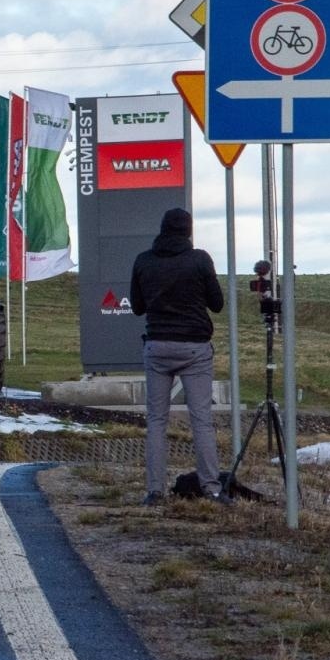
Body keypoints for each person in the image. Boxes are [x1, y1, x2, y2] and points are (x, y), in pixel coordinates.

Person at [130, 207, 227, 506]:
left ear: (162, 228)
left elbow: (137, 307)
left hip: (157, 346)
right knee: (201, 420)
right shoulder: (200, 260)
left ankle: (155, 491)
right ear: (188, 230)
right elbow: (217, 304)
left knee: (157, 420)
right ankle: (211, 488)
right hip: (194, 348)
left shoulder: (143, 260)